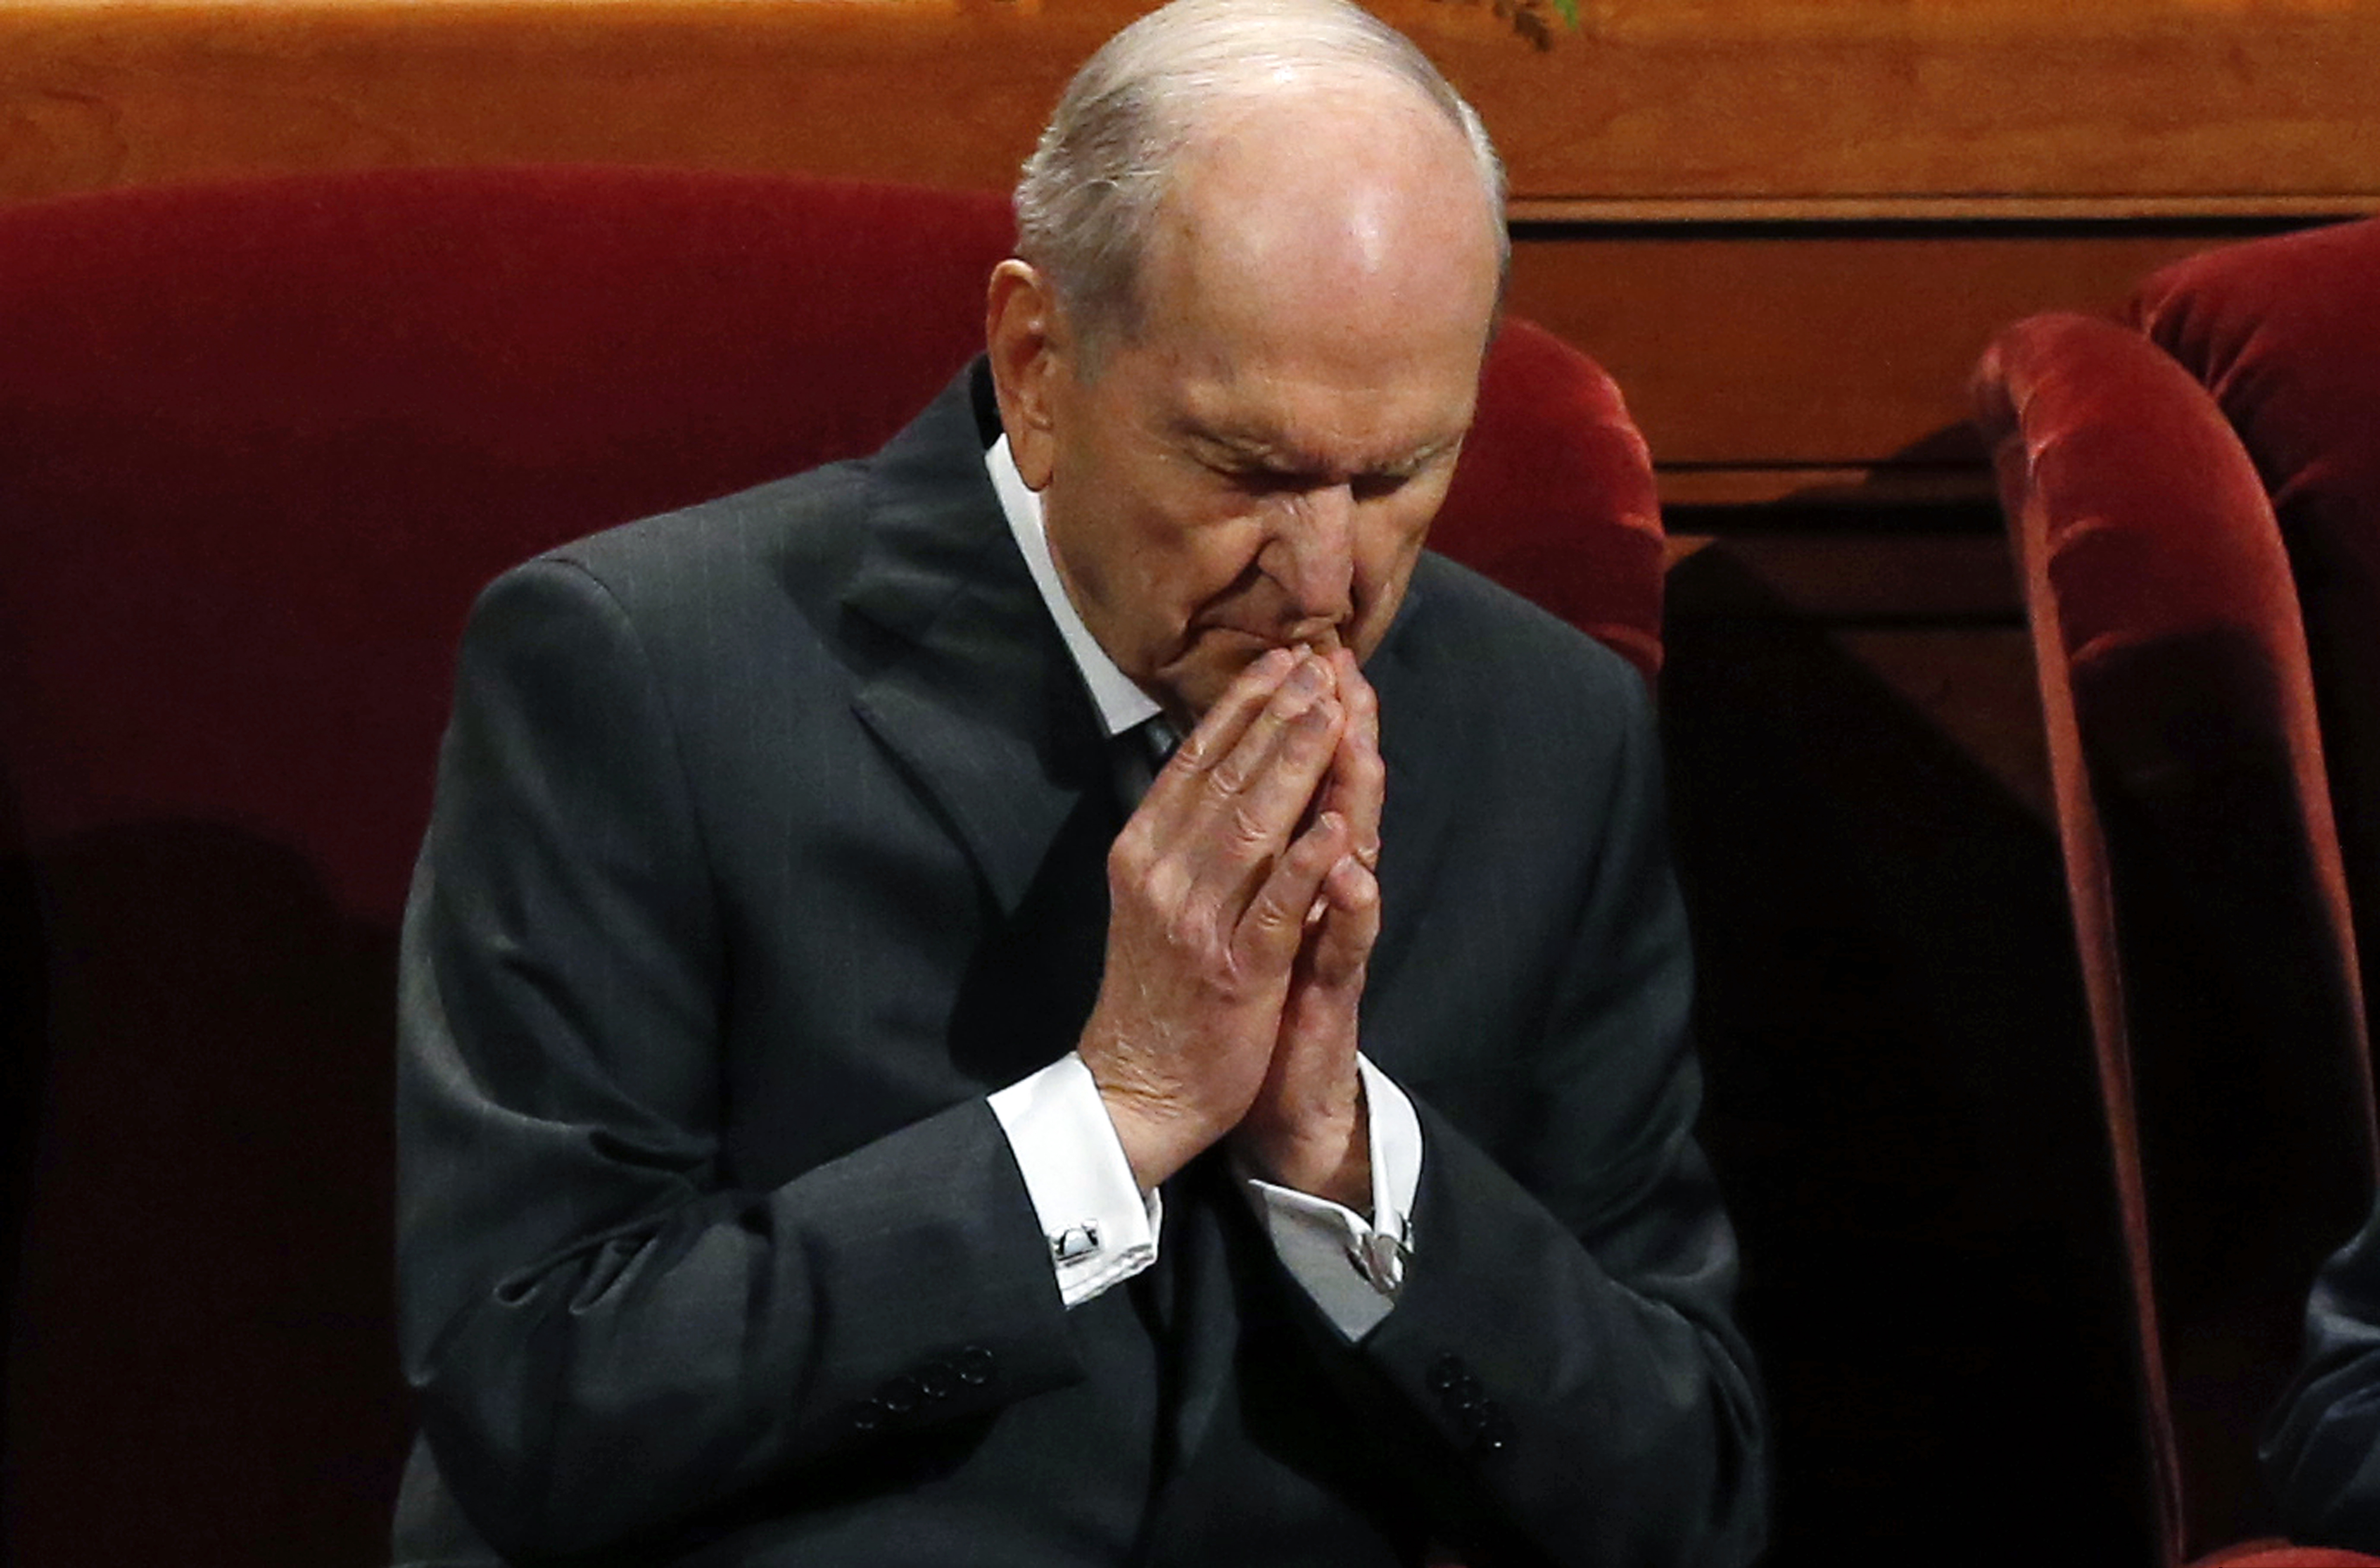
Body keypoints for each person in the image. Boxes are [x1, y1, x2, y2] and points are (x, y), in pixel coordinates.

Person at [392, 2, 1767, 1564]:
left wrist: (1353, 1168)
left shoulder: (1553, 731)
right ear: (1039, 366)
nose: (1326, 579)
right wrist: (1113, 1118)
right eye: (1249, 469)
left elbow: (1686, 1497)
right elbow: (537, 1400)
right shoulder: (639, 672)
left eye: (1397, 474)